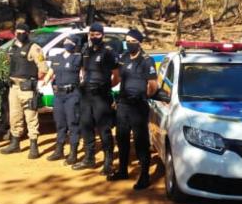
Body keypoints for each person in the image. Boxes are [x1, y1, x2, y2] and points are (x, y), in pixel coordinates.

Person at [108, 29, 158, 190]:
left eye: (132, 41)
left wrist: (144, 96)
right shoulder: (123, 58)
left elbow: (153, 86)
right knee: (121, 138)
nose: (128, 43)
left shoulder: (146, 60)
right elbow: (118, 78)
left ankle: (144, 176)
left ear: (139, 42)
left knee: (141, 142)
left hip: (138, 106)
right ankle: (122, 170)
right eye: (127, 41)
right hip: (123, 105)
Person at [72, 22, 120, 172]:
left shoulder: (108, 51)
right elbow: (84, 70)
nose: (94, 37)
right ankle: (89, 159)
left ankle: (108, 162)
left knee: (104, 129)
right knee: (85, 126)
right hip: (86, 95)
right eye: (92, 34)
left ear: (103, 35)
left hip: (101, 96)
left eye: (97, 34)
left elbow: (117, 76)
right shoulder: (86, 49)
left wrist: (105, 87)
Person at [0, 23, 48, 158]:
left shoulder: (34, 48)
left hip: (26, 87)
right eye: (17, 32)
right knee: (15, 116)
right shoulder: (12, 47)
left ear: (27, 33)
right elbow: (8, 64)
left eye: (22, 32)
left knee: (31, 116)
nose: (19, 34)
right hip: (13, 87)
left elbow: (43, 68)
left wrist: (32, 80)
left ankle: (34, 146)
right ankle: (15, 144)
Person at [40, 36, 82, 165]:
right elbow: (51, 71)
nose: (67, 43)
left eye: (71, 42)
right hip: (58, 95)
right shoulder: (57, 57)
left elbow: (84, 74)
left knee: (73, 124)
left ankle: (73, 153)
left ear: (75, 45)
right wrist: (46, 80)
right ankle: (59, 150)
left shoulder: (78, 58)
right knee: (59, 123)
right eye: (66, 41)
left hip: (72, 94)